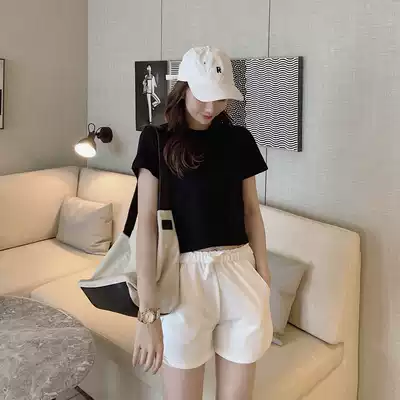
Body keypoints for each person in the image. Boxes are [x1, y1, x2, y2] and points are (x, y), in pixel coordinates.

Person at [131, 46, 273, 400]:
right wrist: (148, 314)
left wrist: (263, 275)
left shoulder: (239, 139)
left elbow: (251, 211)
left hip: (240, 272)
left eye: (220, 98)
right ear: (184, 89)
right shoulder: (156, 139)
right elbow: (146, 224)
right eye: (204, 96)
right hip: (184, 279)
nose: (211, 108)